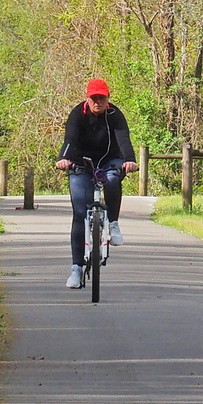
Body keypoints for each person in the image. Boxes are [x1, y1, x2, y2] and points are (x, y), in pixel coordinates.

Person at [55, 78, 138, 289]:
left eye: (102, 98)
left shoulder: (115, 115)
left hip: (110, 159)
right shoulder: (77, 114)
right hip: (82, 162)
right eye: (94, 98)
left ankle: (113, 224)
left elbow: (124, 140)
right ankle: (76, 269)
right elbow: (70, 139)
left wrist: (130, 160)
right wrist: (63, 159)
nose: (97, 102)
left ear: (108, 99)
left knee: (111, 179)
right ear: (88, 98)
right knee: (80, 213)